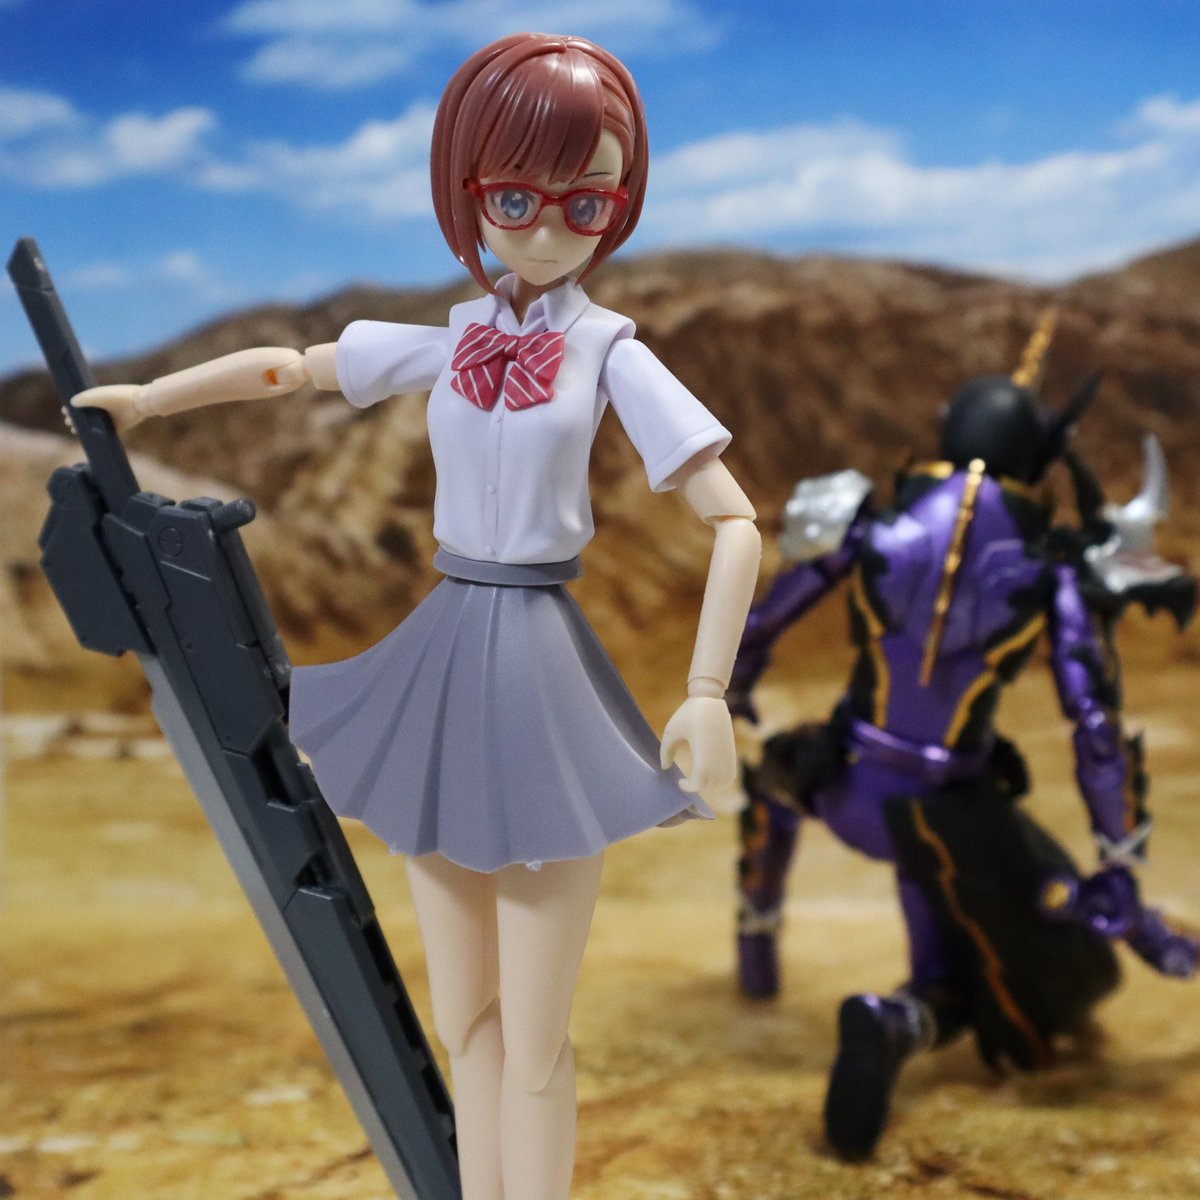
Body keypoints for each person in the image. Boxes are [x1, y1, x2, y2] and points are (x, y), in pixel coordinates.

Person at [73, 33, 761, 1200]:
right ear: (467, 193)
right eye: (514, 197)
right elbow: (294, 368)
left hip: (538, 667)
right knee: (464, 1019)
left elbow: (734, 518)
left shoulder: (608, 351)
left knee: (535, 1033)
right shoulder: (449, 343)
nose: (546, 230)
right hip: (445, 660)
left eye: (585, 201)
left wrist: (706, 691)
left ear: (619, 205)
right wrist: (149, 400)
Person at [729, 327, 1196, 1161]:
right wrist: (1118, 860)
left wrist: (729, 688)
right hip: (947, 824)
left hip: (841, 781)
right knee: (963, 976)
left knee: (773, 783)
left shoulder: (869, 529)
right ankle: (897, 1019)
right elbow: (1094, 725)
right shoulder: (1052, 572)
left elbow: (763, 621)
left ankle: (756, 947)